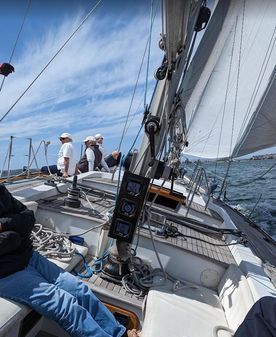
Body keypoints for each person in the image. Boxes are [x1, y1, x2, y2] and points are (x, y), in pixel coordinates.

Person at [0, 183, 129, 337]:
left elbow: (28, 217)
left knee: (80, 290)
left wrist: (4, 224)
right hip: (7, 272)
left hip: (28, 256)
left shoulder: (1, 192)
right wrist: (15, 234)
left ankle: (120, 334)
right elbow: (11, 239)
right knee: (66, 306)